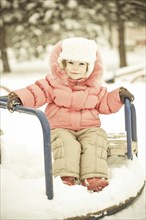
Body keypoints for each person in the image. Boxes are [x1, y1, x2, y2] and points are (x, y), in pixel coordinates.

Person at [7, 37, 134, 192]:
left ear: (89, 67)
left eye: (81, 64)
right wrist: (19, 97)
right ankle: (66, 177)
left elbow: (105, 103)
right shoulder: (53, 82)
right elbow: (36, 92)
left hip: (89, 127)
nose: (75, 68)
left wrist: (118, 96)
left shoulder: (95, 87)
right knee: (66, 144)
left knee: (96, 140)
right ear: (63, 64)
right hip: (61, 127)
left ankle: (93, 176)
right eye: (71, 63)